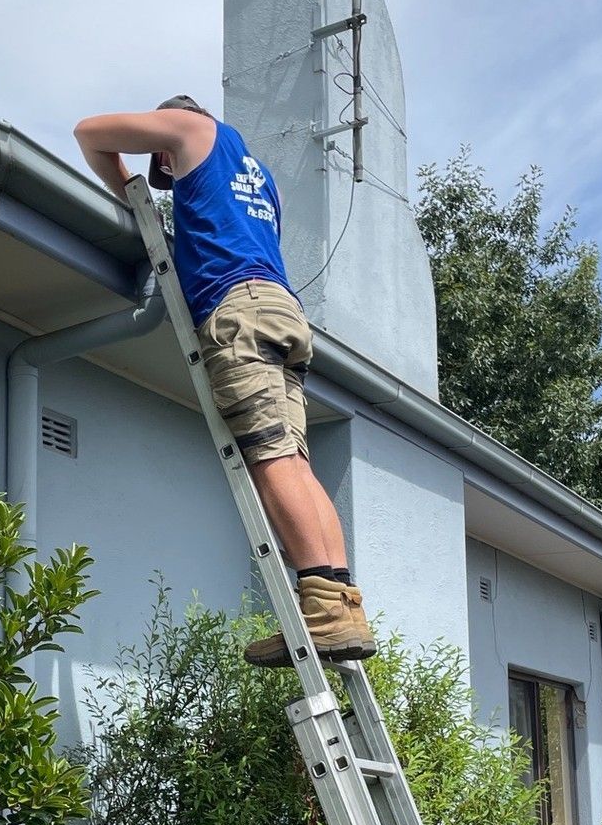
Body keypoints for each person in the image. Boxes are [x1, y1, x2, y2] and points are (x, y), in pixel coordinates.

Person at [74, 95, 376, 667]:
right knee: (295, 461)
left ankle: (321, 611)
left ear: (167, 141)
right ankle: (341, 604)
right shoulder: (259, 177)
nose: (169, 176)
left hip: (240, 313)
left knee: (269, 456)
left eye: (164, 166)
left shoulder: (189, 128)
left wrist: (129, 189)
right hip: (282, 309)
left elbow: (89, 133)